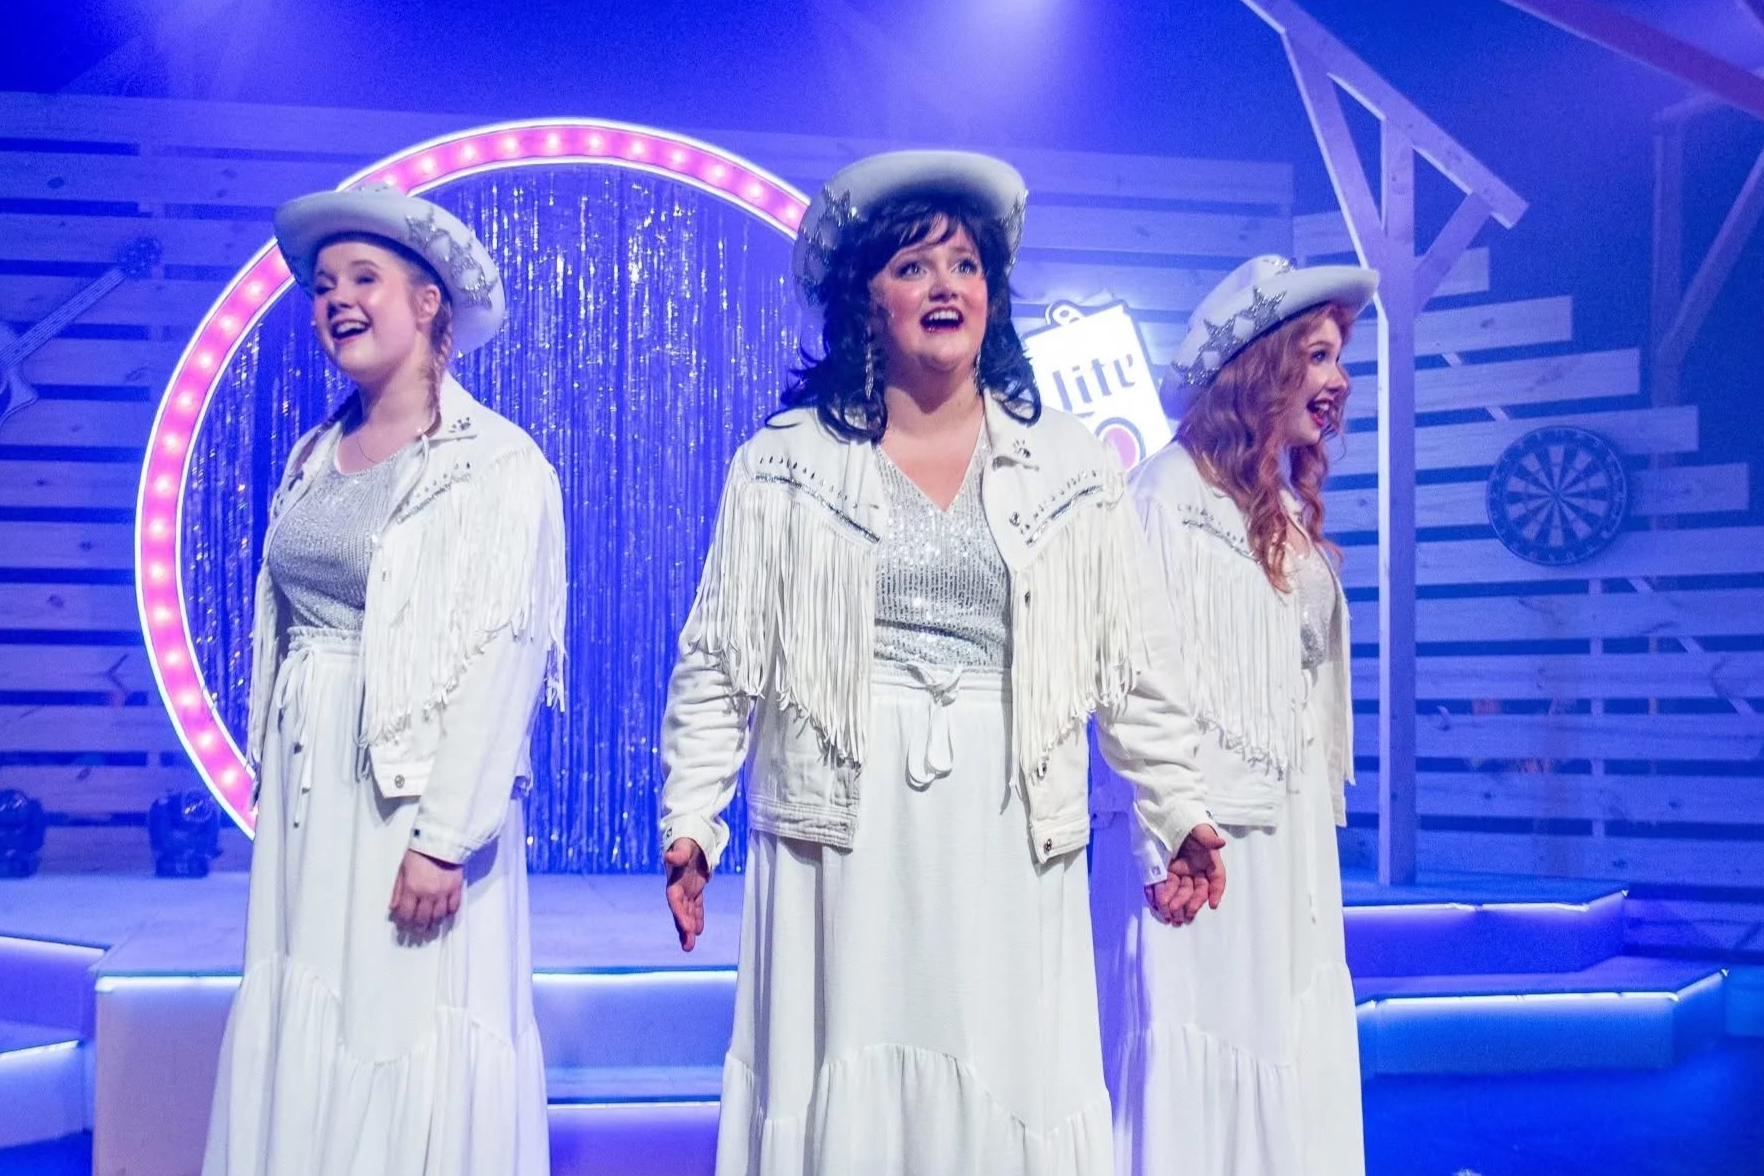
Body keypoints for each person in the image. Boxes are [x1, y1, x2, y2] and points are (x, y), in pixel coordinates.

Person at [658, 150, 1227, 1176]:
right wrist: (691, 816)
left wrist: (1175, 809)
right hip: (845, 825)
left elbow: (1130, 662)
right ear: (864, 298)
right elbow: (721, 658)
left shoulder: (1066, 462)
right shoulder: (783, 461)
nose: (944, 287)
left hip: (1007, 816)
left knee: (1006, 1069)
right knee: (850, 1063)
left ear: (993, 297)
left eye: (964, 266)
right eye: (914, 266)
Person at [203, 182, 565, 1176]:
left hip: (410, 802)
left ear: (429, 303)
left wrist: (445, 840)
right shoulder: (315, 453)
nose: (337, 301)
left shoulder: (495, 465)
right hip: (312, 801)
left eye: (365, 278)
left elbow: (506, 656)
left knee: (405, 1028)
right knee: (309, 1006)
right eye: (324, 286)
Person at [1092, 254, 1377, 1176]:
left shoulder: (1277, 507)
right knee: (1197, 1044)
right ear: (1264, 364)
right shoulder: (1165, 500)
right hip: (1203, 845)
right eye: (1322, 355)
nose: (1340, 381)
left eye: (1341, 358)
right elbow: (1131, 680)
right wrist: (1166, 834)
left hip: (1285, 833)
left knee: (1285, 1043)